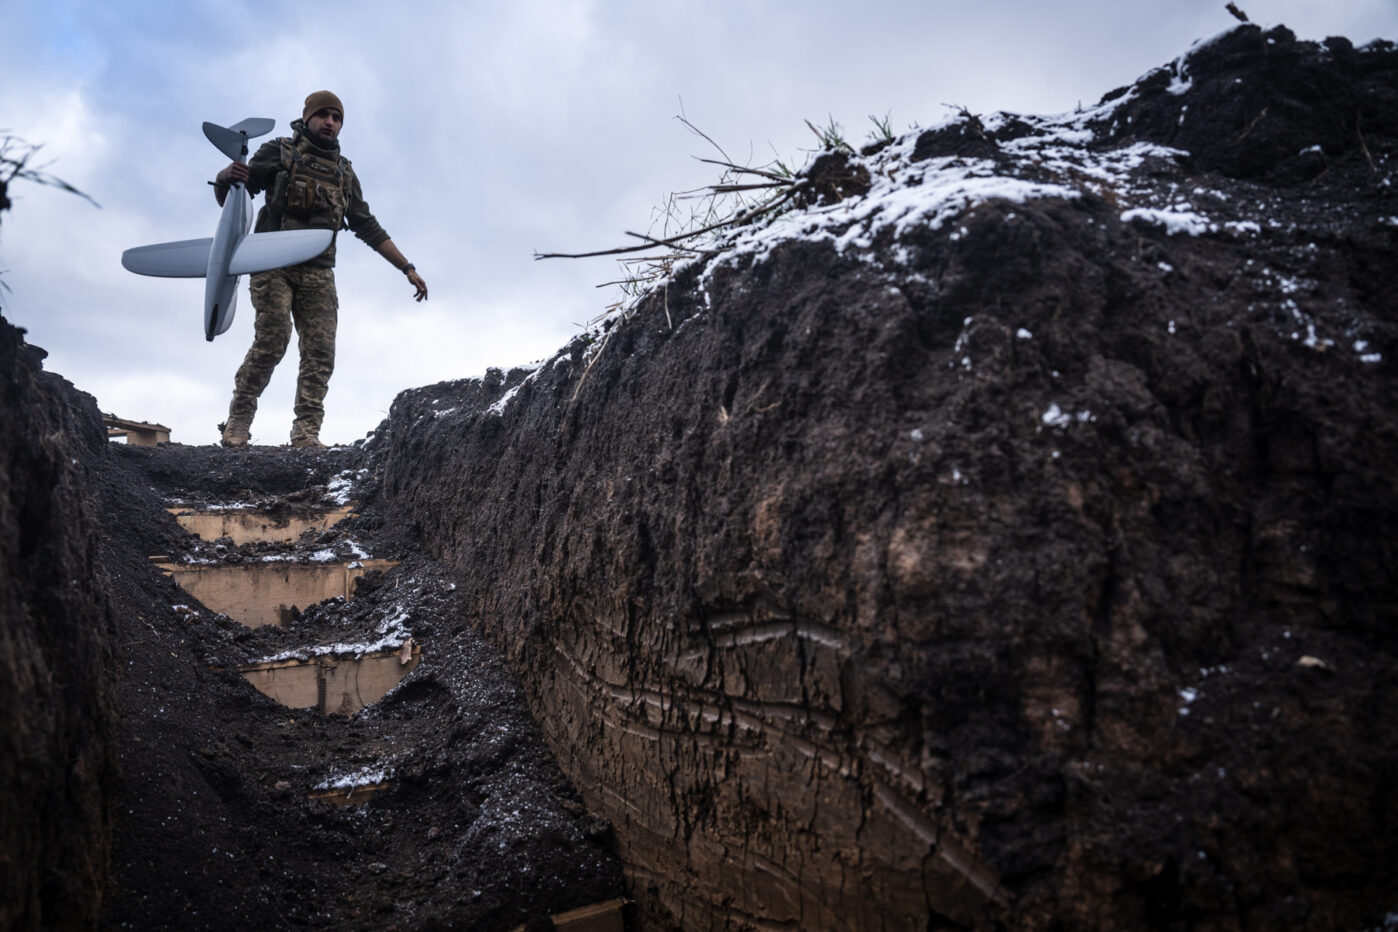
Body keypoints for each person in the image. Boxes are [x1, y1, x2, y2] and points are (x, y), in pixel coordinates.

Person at [212, 90, 427, 448]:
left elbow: (366, 225)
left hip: (318, 272)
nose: (331, 122)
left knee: (320, 352)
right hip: (271, 263)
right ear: (308, 117)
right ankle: (237, 423)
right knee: (272, 340)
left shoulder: (344, 173)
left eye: (337, 118)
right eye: (324, 115)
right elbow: (233, 201)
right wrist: (223, 178)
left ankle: (306, 434)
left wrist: (406, 267)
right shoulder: (279, 152)